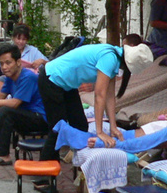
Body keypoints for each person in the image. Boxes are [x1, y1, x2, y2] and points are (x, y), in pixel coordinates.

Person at [37, 35, 154, 179]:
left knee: (79, 124)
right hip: (52, 79)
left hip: (66, 84)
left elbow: (109, 97)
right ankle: (41, 176)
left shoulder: (114, 57)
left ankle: (79, 167)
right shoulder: (109, 58)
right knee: (58, 129)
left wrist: (113, 126)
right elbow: (99, 96)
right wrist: (99, 131)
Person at [0, 42, 48, 166]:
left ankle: (4, 156)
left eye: (8, 63)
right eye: (1, 64)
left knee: (5, 110)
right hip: (24, 115)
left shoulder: (27, 77)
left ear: (18, 62)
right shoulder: (10, 76)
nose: (4, 67)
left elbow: (14, 103)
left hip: (39, 119)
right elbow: (1, 96)